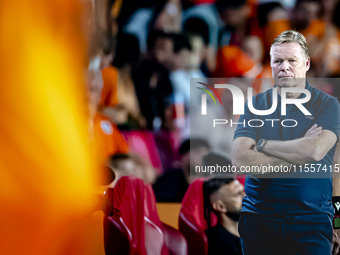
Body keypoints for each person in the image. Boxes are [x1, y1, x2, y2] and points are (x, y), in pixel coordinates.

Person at [232, 30, 340, 254]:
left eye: (292, 60)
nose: (285, 67)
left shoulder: (327, 105)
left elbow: (318, 151)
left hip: (312, 223)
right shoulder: (255, 105)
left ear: (307, 63)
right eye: (278, 61)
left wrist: (262, 146)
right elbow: (240, 160)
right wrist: (300, 155)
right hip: (259, 221)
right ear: (270, 65)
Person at [204, 177, 244, 255]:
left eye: (243, 192)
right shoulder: (215, 243)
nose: (246, 197)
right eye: (238, 194)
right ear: (220, 206)